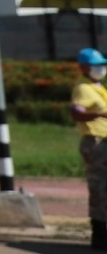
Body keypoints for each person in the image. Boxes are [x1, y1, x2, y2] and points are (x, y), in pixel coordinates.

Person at [74, 46, 107, 249]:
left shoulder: (98, 87)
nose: (100, 68)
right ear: (84, 67)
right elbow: (76, 113)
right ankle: (100, 235)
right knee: (100, 189)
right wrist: (99, 115)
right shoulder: (83, 88)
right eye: (95, 65)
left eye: (102, 64)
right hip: (95, 143)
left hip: (104, 141)